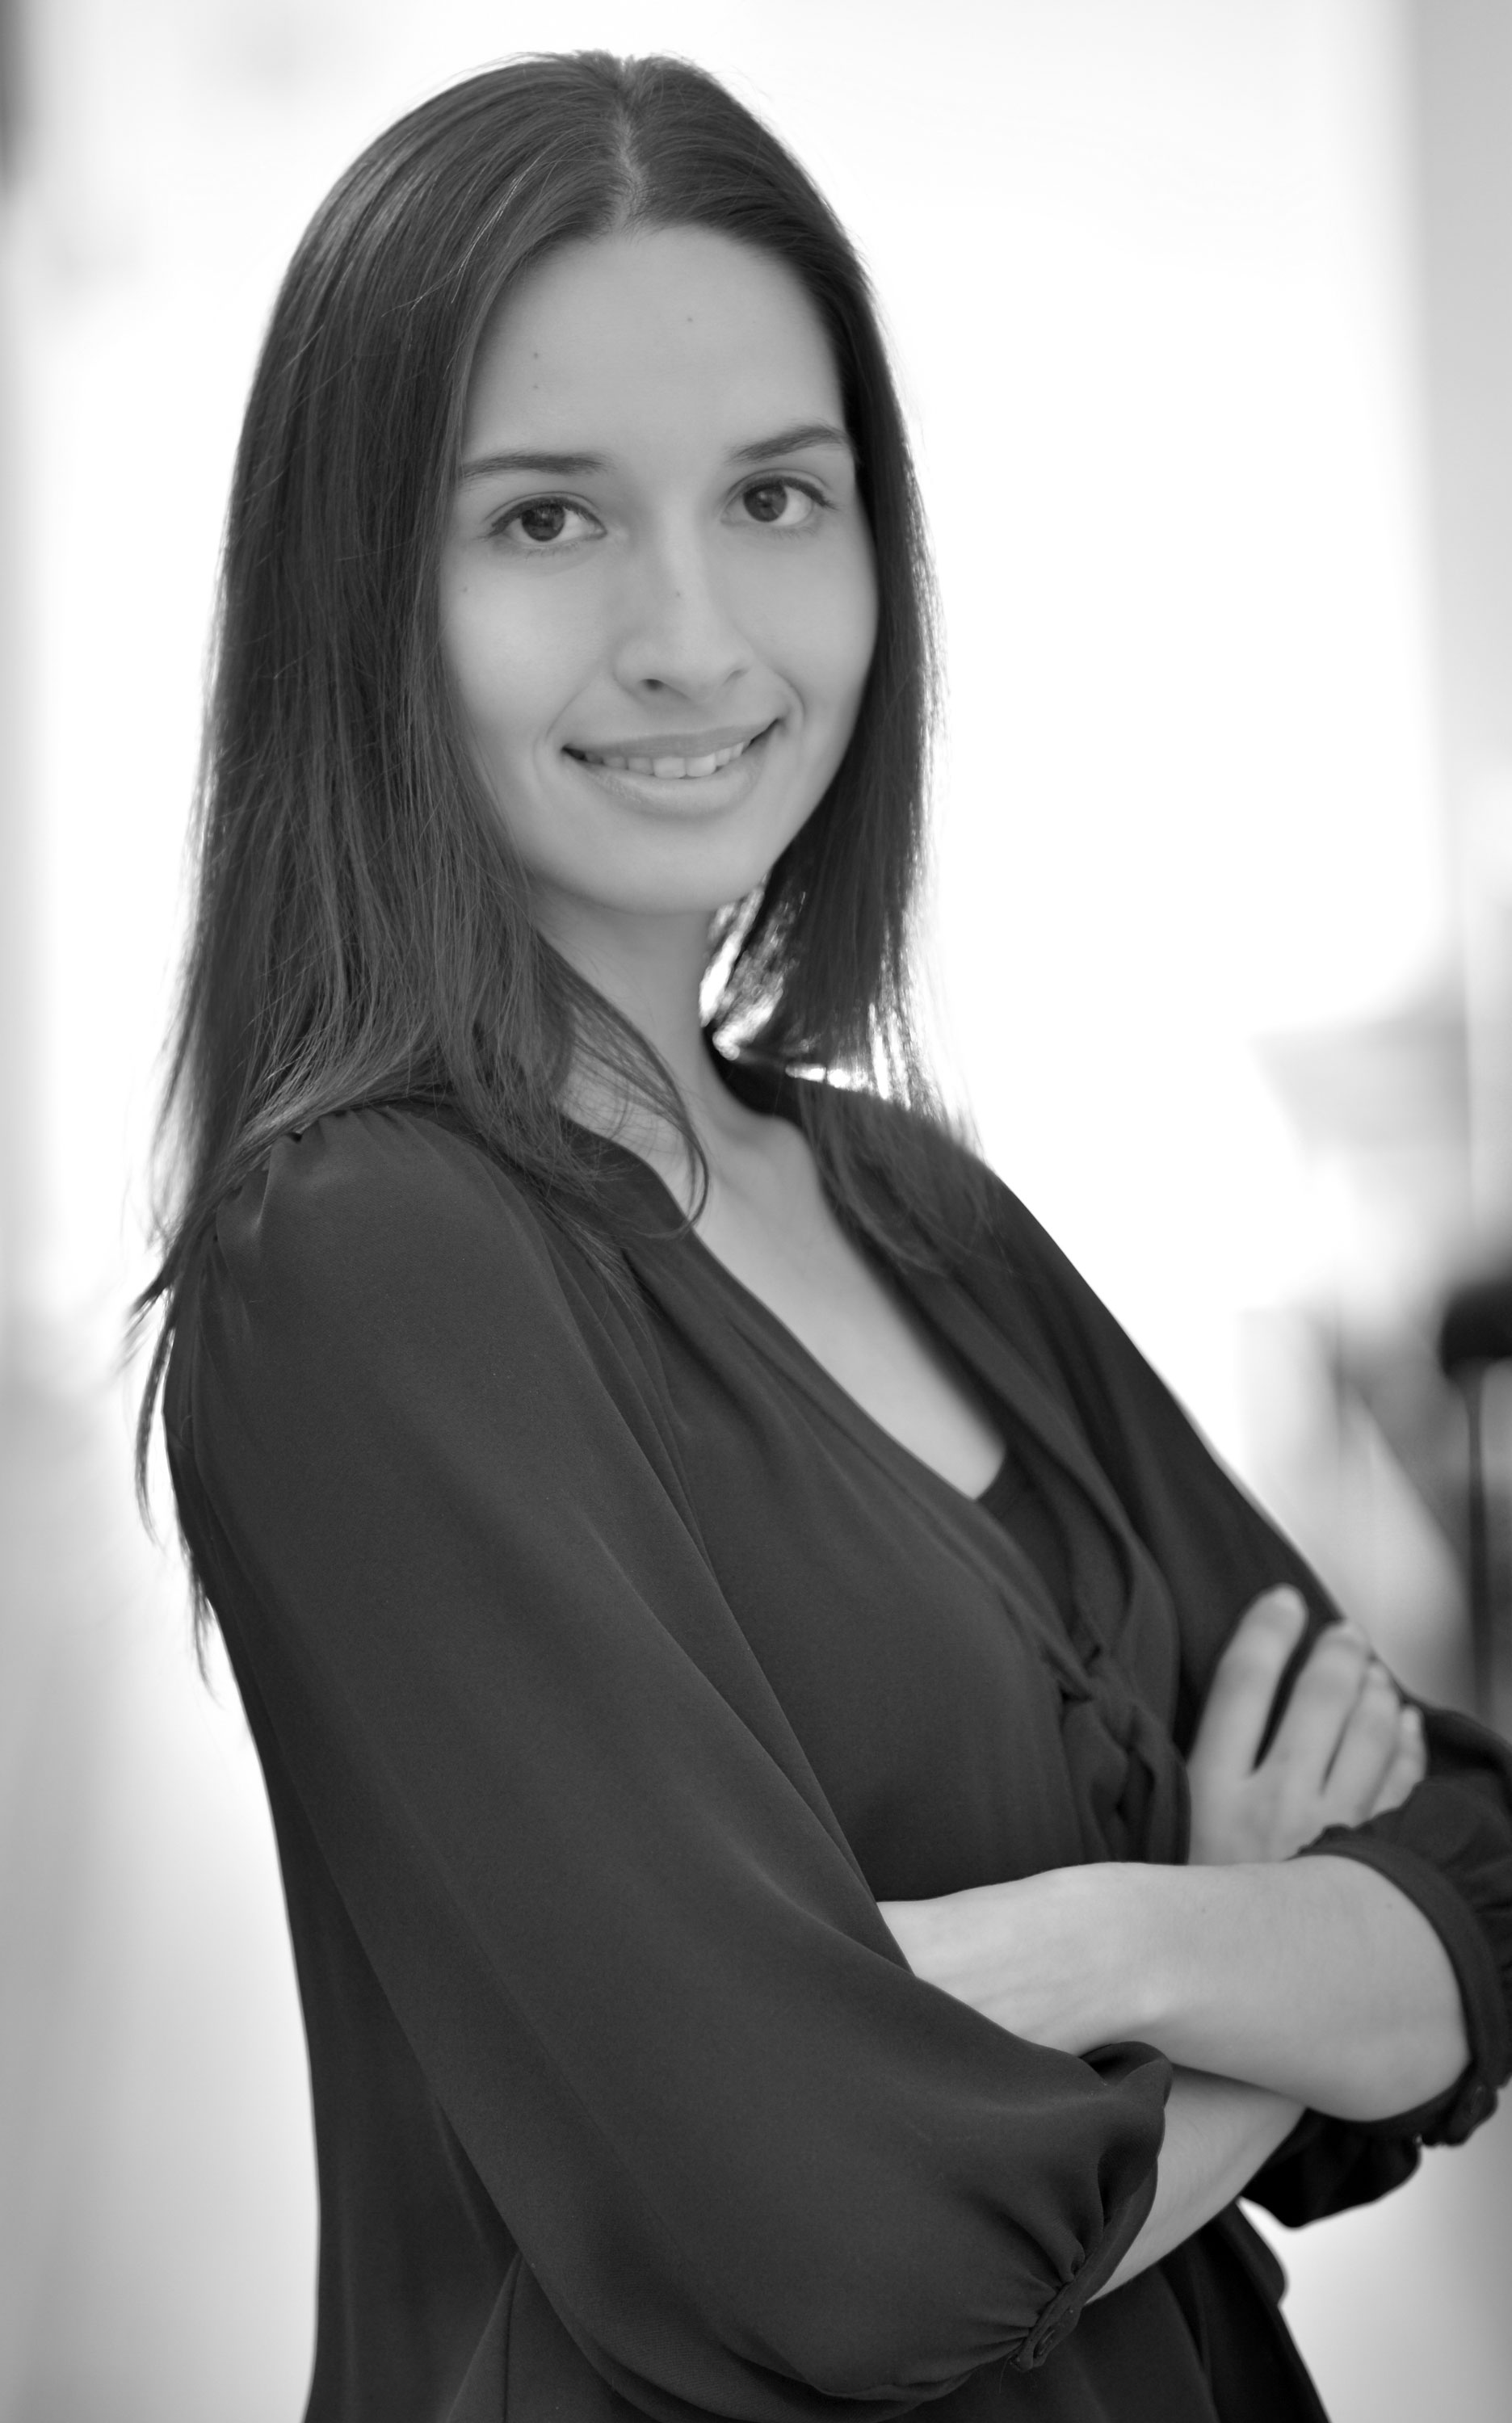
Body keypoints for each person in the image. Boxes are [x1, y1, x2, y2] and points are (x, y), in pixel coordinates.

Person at [138, 51, 1512, 2423]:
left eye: (776, 495)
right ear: (359, 594)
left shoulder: (907, 1198)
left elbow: (1476, 1868)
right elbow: (830, 2249)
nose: (695, 635)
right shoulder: (351, 1266)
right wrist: (1264, 1975)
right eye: (549, 523)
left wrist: (1089, 1946)